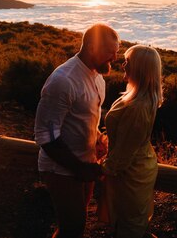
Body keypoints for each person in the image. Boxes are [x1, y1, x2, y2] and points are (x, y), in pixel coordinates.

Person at [34, 23, 120, 238]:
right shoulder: (63, 80)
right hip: (61, 169)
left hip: (85, 165)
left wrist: (98, 138)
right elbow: (45, 136)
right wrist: (80, 168)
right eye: (110, 52)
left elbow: (83, 119)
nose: (115, 58)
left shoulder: (98, 77)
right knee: (74, 227)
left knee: (72, 226)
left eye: (116, 52)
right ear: (91, 47)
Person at [99, 45, 162, 238]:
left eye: (128, 61)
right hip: (131, 168)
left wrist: (100, 169)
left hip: (132, 174)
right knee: (127, 221)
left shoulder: (138, 107)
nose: (123, 64)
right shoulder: (135, 97)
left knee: (130, 225)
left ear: (140, 69)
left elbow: (125, 152)